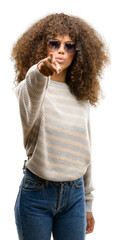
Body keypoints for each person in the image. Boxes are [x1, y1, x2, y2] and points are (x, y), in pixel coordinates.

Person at [11, 13, 110, 240]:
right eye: (54, 43)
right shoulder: (31, 88)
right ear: (42, 47)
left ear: (79, 52)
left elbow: (85, 152)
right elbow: (32, 87)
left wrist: (87, 202)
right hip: (36, 195)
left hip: (74, 196)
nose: (61, 50)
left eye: (69, 45)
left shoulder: (80, 98)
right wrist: (41, 70)